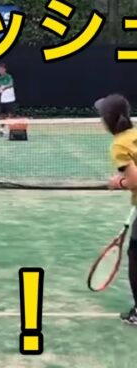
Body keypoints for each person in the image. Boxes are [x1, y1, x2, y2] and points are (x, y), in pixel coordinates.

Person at [95, 94, 137, 325]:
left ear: (108, 120)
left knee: (136, 256)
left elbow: (134, 180)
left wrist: (118, 182)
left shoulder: (120, 145)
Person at [0, 63, 16, 137]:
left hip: (10, 99)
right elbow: (1, 89)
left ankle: (11, 131)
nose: (0, 70)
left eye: (2, 69)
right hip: (3, 100)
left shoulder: (9, 76)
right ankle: (1, 131)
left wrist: (4, 87)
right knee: (2, 116)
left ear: (5, 69)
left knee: (11, 115)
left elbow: (11, 84)